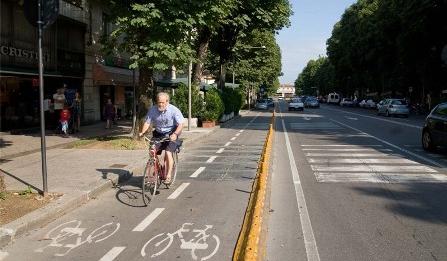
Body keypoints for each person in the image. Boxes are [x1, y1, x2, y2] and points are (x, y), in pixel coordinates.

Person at [139, 92, 184, 184]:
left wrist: (175, 134)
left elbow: (181, 124)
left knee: (168, 152)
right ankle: (156, 168)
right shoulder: (153, 110)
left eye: (163, 102)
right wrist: (142, 132)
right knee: (152, 151)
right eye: (159, 102)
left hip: (171, 133)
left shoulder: (174, 110)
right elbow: (147, 122)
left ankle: (168, 176)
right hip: (158, 133)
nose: (160, 104)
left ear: (167, 102)